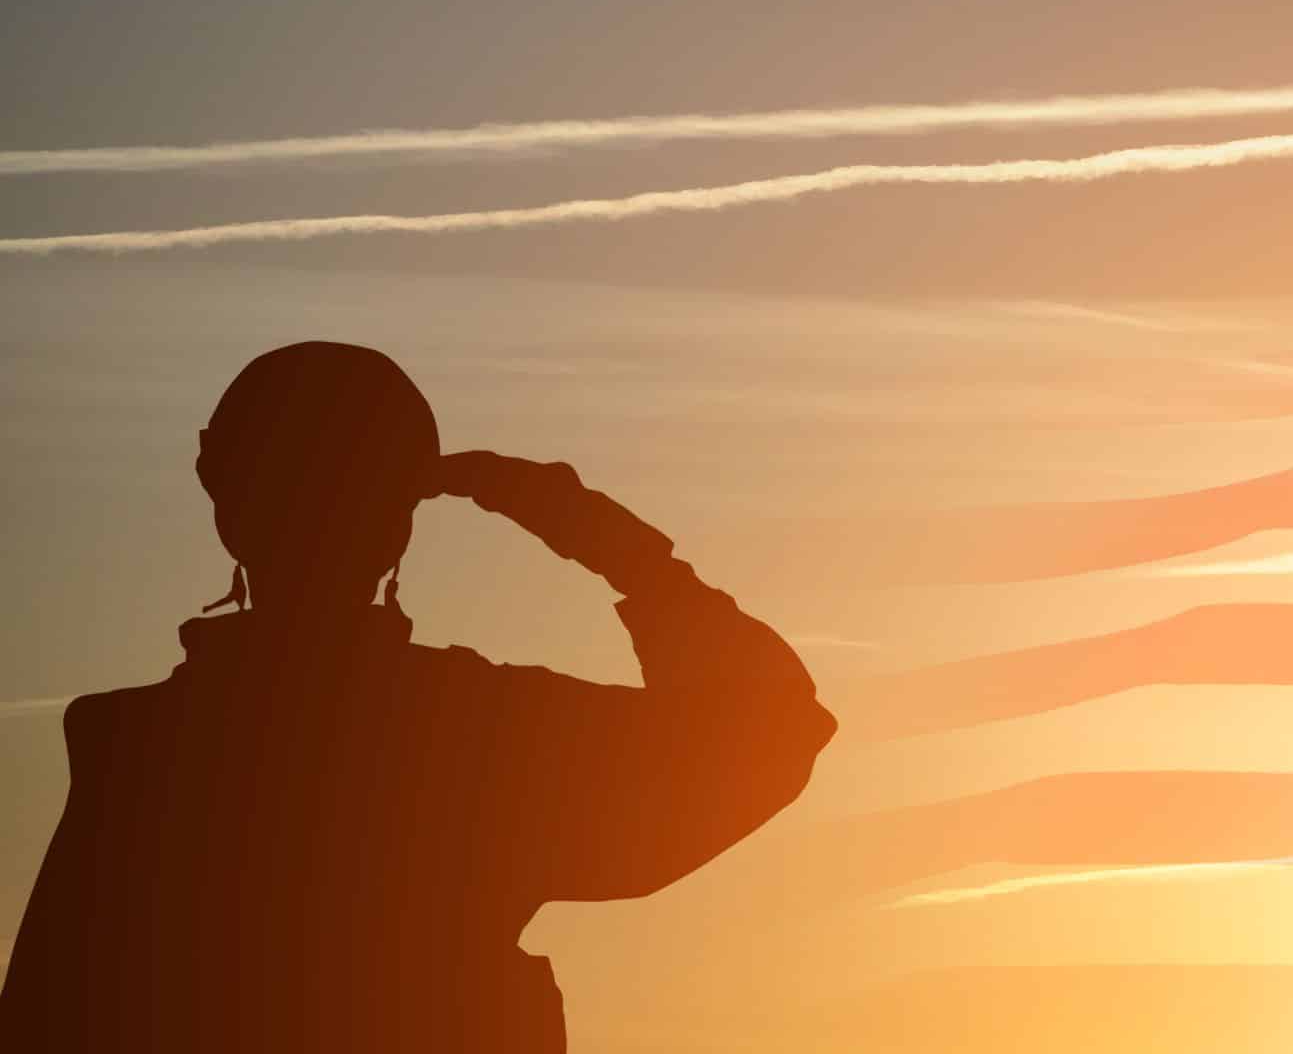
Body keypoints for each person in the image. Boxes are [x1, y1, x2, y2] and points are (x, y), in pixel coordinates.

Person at [0, 341, 836, 1052]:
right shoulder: (482, 735)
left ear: (221, 496)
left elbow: (42, 1018)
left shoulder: (136, 749)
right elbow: (772, 729)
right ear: (401, 517)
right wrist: (614, 547)